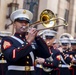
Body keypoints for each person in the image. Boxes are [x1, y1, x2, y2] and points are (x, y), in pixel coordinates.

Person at [1, 9, 51, 75]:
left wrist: (37, 37)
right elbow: (12, 57)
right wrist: (28, 41)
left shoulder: (32, 41)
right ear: (14, 24)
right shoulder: (7, 40)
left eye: (26, 22)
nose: (24, 24)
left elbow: (46, 54)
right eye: (20, 22)